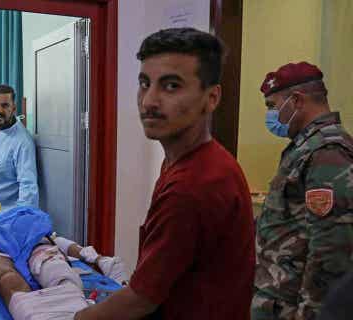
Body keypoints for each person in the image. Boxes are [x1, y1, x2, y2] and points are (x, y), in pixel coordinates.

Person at [76, 28, 255, 320]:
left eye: (171, 86)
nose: (149, 101)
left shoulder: (195, 184)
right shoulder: (192, 162)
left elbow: (141, 299)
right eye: (145, 84)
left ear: (211, 98)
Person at [252, 62, 353, 320]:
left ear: (296, 100)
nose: (271, 116)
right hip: (278, 302)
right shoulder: (306, 148)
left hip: (295, 308)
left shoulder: (327, 152)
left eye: (272, 106)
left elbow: (331, 249)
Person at [0, 85, 39, 210]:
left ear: (13, 108)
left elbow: (28, 187)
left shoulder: (22, 141)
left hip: (4, 214)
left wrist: (20, 219)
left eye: (5, 105)